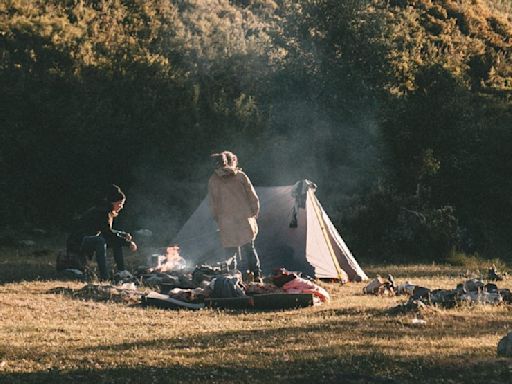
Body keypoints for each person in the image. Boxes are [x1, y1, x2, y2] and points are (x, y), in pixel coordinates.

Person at [208, 150, 262, 281]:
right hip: (244, 218)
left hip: (226, 221)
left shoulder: (214, 180)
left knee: (230, 251)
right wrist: (254, 212)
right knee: (249, 248)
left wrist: (217, 218)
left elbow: (213, 203)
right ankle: (256, 276)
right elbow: (253, 197)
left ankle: (232, 279)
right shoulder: (241, 176)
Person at [66, 184, 137, 280]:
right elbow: (107, 233)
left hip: (88, 239)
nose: (121, 207)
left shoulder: (105, 210)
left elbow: (107, 230)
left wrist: (122, 234)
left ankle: (121, 271)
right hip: (78, 241)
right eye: (120, 203)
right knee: (100, 241)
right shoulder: (103, 212)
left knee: (116, 241)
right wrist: (128, 243)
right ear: (113, 202)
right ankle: (105, 277)